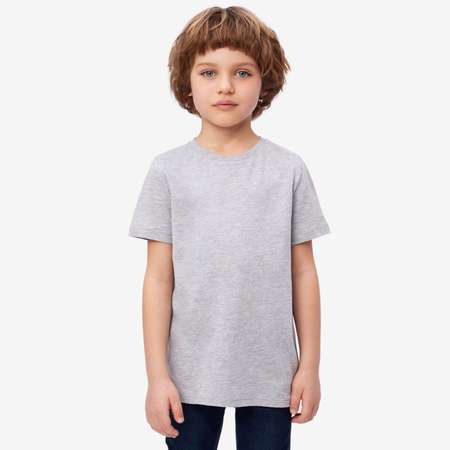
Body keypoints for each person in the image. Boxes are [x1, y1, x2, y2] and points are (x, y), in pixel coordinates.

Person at [128, 6, 331, 450]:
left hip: (272, 374)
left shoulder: (288, 170)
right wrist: (157, 376)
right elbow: (158, 278)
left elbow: (304, 273)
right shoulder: (167, 171)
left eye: (242, 72)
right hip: (188, 375)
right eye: (209, 72)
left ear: (264, 82)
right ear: (187, 83)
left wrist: (310, 367)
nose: (225, 86)